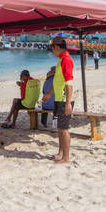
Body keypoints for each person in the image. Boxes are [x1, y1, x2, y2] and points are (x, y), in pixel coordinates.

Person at [42, 36, 74, 164]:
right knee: (60, 128)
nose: (52, 51)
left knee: (64, 129)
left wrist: (68, 103)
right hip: (59, 98)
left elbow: (69, 83)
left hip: (64, 100)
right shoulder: (61, 60)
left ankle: (66, 158)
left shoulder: (66, 60)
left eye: (53, 48)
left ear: (57, 47)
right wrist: (49, 93)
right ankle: (60, 153)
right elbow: (58, 82)